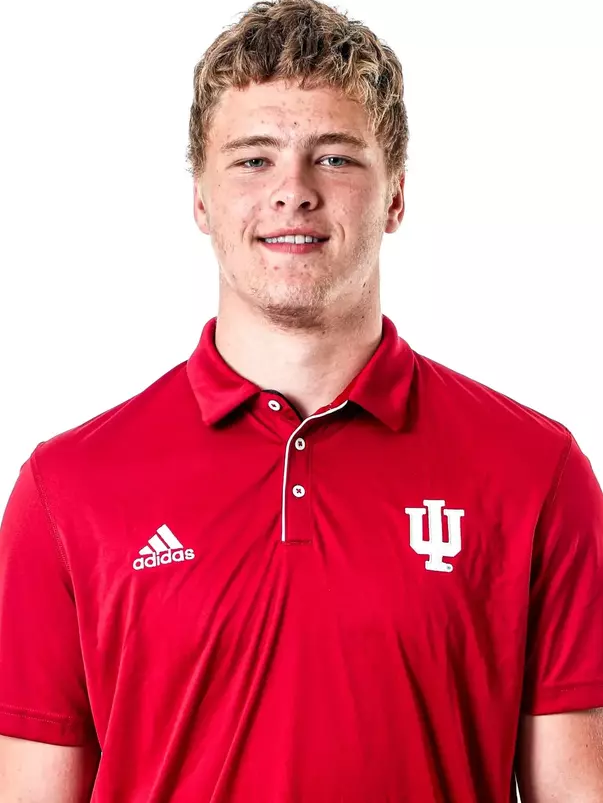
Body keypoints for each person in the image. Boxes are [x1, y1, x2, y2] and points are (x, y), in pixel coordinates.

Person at [1, 0, 602, 800]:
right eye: (253, 160)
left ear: (393, 197)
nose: (293, 191)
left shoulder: (535, 472)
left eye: (336, 158)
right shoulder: (66, 487)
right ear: (201, 200)